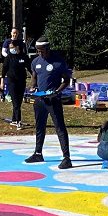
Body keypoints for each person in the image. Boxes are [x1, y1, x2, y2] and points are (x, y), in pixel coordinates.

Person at [25, 38, 72, 168]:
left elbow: (66, 80)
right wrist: (32, 87)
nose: (40, 53)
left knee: (59, 127)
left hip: (53, 99)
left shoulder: (58, 61)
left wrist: (57, 92)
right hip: (40, 99)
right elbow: (34, 77)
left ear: (48, 49)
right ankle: (38, 153)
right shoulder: (35, 62)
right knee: (40, 126)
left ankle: (66, 157)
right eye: (38, 51)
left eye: (42, 51)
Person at [1, 38, 28, 126]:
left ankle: (14, 119)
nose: (11, 49)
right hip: (11, 81)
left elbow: (30, 68)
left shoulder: (23, 57)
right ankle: (18, 121)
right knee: (15, 101)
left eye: (12, 47)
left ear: (17, 47)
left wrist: (35, 79)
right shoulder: (9, 57)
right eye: (10, 48)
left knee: (19, 102)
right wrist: (2, 81)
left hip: (21, 81)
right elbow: (4, 69)